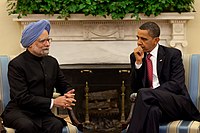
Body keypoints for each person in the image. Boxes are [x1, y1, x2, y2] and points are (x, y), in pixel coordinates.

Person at [1, 19, 76, 133]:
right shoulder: (16, 64)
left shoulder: (52, 62)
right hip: (19, 112)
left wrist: (68, 94)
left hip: (42, 113)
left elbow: (63, 84)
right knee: (27, 126)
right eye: (42, 41)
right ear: (30, 43)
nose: (47, 44)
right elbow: (22, 98)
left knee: (56, 125)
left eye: (48, 40)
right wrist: (54, 102)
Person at [127, 21, 200, 133]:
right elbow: (134, 87)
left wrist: (152, 94)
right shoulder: (136, 57)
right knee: (153, 111)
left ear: (156, 40)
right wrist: (138, 63)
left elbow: (177, 84)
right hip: (152, 104)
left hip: (175, 102)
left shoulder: (173, 54)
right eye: (138, 38)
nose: (139, 43)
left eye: (144, 39)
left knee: (144, 93)